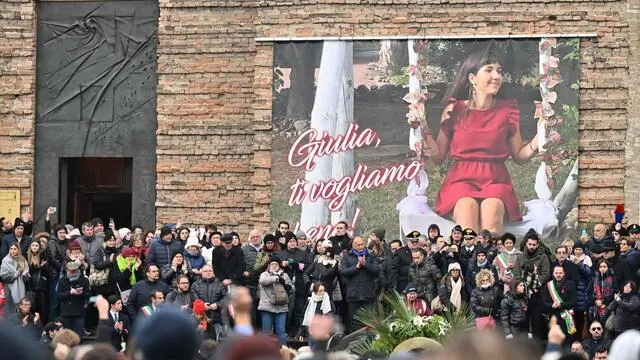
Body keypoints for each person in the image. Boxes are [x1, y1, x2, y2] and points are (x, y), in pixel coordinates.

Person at [422, 46, 539, 233]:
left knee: (492, 214)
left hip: (496, 180)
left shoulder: (508, 110)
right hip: (460, 181)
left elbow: (519, 156)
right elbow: (438, 157)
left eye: (499, 71)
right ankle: (467, 260)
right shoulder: (454, 110)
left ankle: (495, 260)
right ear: (472, 78)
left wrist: (539, 139)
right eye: (489, 70)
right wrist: (423, 130)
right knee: (467, 213)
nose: (497, 76)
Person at [340, 235, 380, 333]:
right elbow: (343, 271)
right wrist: (357, 267)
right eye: (358, 245)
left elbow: (376, 270)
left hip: (368, 294)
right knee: (355, 323)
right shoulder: (347, 256)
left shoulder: (371, 255)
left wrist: (365, 264)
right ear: (353, 245)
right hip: (354, 295)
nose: (361, 247)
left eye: (362, 244)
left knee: (369, 323)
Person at [258, 255, 293, 345]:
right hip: (267, 307)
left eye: (276, 264)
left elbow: (292, 288)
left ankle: (283, 352)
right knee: (266, 331)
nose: (274, 265)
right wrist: (276, 278)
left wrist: (285, 285)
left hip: (281, 307)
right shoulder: (264, 274)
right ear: (269, 266)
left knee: (281, 331)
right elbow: (263, 281)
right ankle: (265, 353)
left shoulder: (285, 275)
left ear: (279, 266)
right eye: (272, 264)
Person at [541, 265, 577, 343]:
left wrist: (561, 304)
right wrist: (552, 305)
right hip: (554, 318)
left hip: (567, 317)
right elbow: (544, 303)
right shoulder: (548, 286)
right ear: (553, 273)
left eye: (560, 273)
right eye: (556, 273)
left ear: (564, 273)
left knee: (569, 341)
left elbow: (574, 302)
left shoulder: (571, 284)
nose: (558, 275)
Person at [191, 265, 228, 340]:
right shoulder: (195, 285)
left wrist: (218, 304)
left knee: (215, 341)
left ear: (213, 272)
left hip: (216, 318)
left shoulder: (220, 284)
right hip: (199, 319)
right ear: (201, 273)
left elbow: (227, 298)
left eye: (210, 271)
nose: (208, 273)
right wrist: (201, 305)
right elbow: (193, 297)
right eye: (205, 271)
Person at [57, 261, 90, 337]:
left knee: (78, 336)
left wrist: (81, 293)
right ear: (67, 270)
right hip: (66, 313)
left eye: (75, 271)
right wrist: (69, 292)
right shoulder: (62, 280)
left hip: (79, 312)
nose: (73, 273)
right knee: (67, 337)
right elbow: (59, 296)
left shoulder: (84, 280)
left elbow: (88, 295)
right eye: (71, 271)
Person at [298, 283, 337, 347]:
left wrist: (329, 333)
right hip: (312, 333)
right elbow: (304, 317)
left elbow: (332, 317)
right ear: (315, 292)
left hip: (324, 334)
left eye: (323, 290)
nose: (323, 292)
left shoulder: (328, 302)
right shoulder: (310, 301)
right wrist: (300, 333)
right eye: (320, 291)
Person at [1, 242, 29, 310]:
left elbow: (26, 271)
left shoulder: (22, 259)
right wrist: (15, 275)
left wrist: (24, 274)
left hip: (21, 285)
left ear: (18, 250)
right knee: (10, 306)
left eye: (15, 249)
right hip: (9, 287)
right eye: (11, 249)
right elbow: (3, 274)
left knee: (20, 305)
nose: (13, 250)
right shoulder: (5, 260)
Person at [588, 259, 618, 324]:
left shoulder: (613, 278)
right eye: (600, 267)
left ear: (608, 268)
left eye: (604, 266)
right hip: (595, 308)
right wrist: (596, 300)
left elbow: (615, 292)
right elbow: (589, 293)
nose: (602, 268)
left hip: (608, 307)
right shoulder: (593, 279)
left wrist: (603, 301)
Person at [26, 238, 49, 323]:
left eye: (36, 245)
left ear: (39, 247)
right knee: (31, 306)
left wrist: (41, 266)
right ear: (30, 246)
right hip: (30, 286)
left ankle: (41, 324)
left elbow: (46, 272)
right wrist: (38, 266)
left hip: (40, 286)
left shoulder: (43, 256)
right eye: (33, 245)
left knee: (41, 307)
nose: (34, 247)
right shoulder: (26, 256)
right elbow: (28, 270)